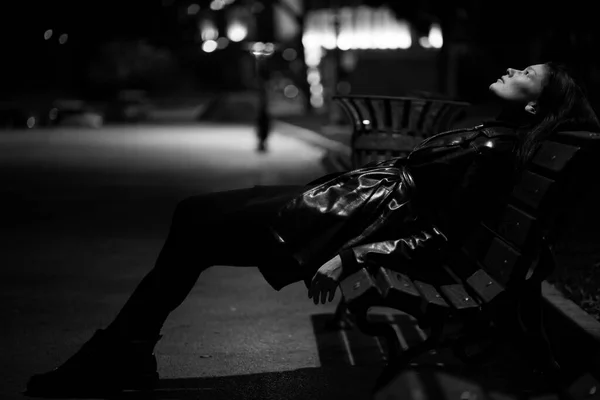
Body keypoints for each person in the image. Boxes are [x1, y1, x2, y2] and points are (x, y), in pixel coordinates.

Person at [26, 62, 600, 397]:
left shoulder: (496, 149)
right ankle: (125, 350)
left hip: (347, 221)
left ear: (535, 106)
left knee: (195, 222)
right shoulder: (492, 132)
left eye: (526, 73)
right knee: (193, 214)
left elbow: (446, 231)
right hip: (348, 199)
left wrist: (355, 257)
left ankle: (119, 354)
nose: (512, 69)